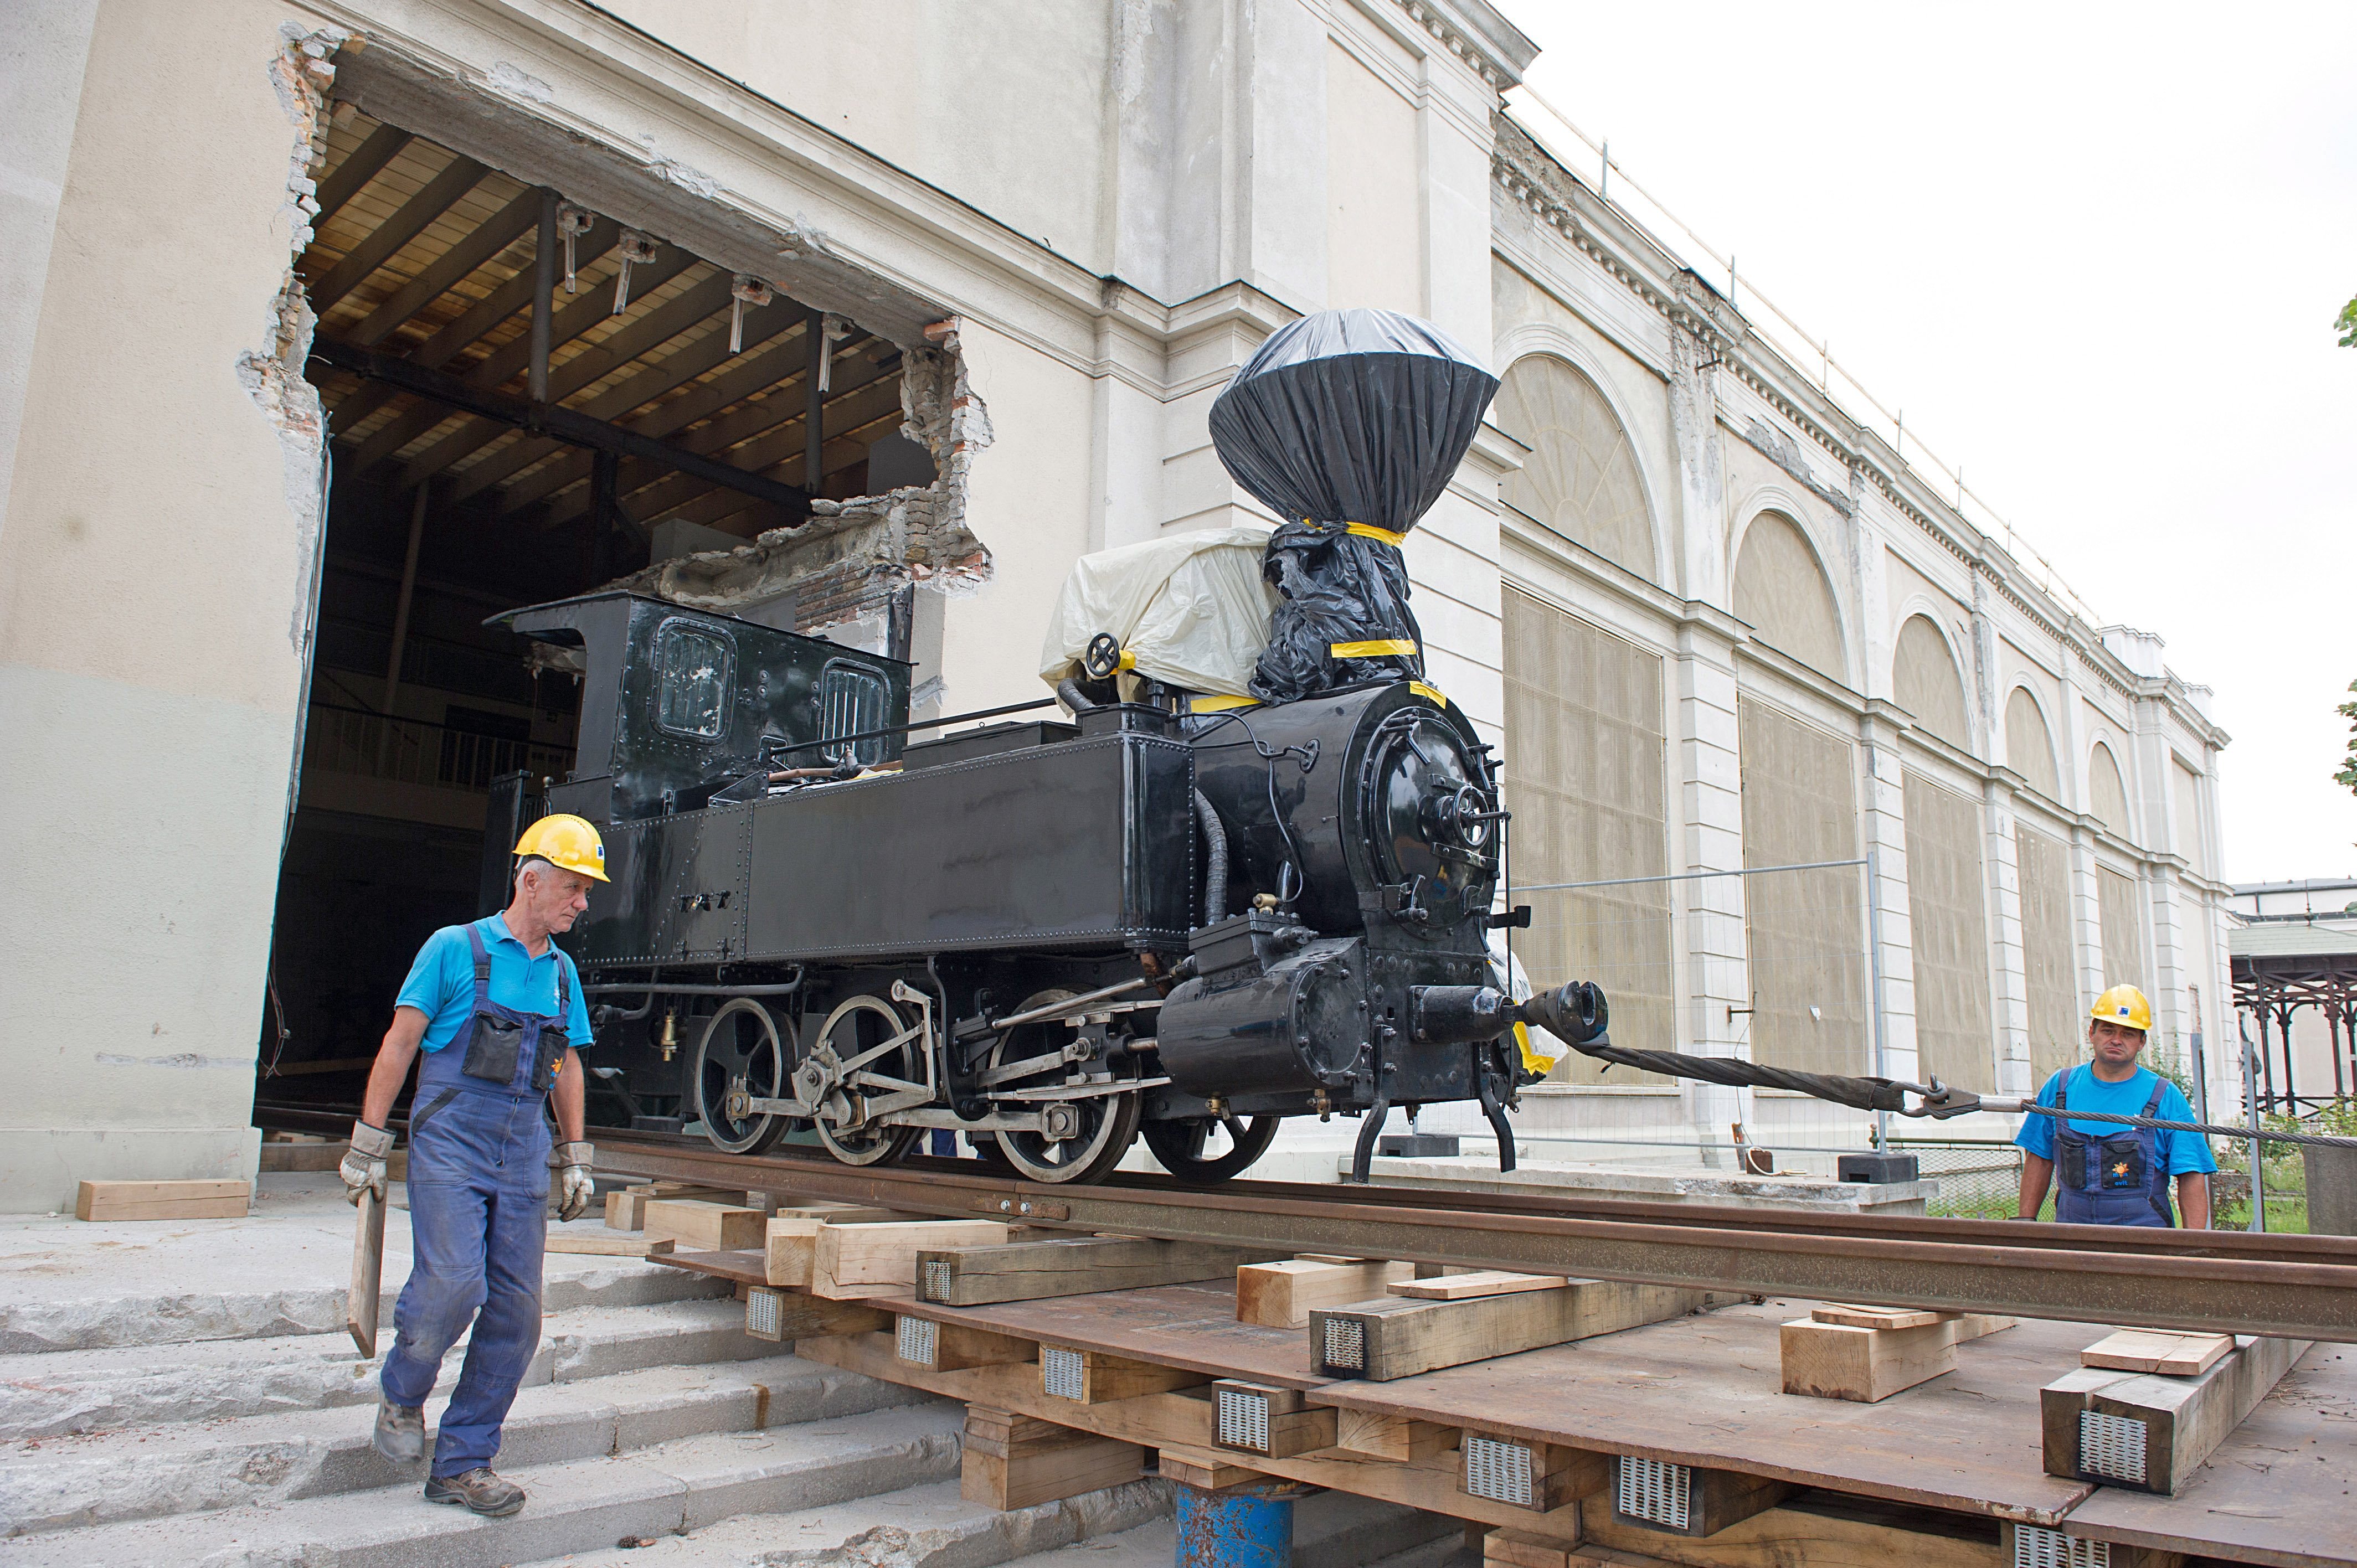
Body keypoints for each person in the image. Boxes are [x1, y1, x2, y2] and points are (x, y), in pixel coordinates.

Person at [338, 814, 607, 1516]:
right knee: (454, 1284)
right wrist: (369, 1143)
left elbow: (569, 1062)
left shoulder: (562, 971)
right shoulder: (452, 949)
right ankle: (402, 1398)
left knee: (517, 1315)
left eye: (585, 892)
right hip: (451, 1143)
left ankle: (462, 1463)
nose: (584, 904)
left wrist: (575, 1155)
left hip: (521, 1152)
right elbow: (400, 1045)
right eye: (575, 889)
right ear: (531, 879)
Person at [2014, 984, 2215, 1228]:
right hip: (2071, 1234)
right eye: (2108, 1030)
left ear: (2142, 1042)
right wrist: (2025, 1222)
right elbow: (2040, 1158)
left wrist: (2193, 1247)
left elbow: (2191, 1174)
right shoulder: (2060, 1088)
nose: (2116, 1040)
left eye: (2128, 1034)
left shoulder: (2164, 1096)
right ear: (2092, 1033)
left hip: (2145, 1238)